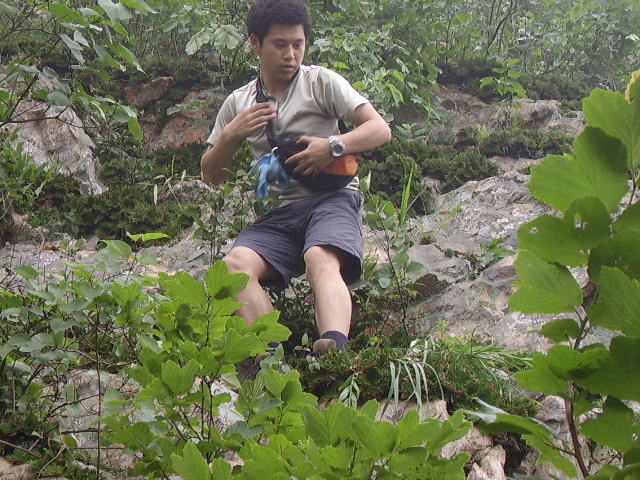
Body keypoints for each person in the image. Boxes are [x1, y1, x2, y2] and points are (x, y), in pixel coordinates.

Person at [201, 0, 391, 354]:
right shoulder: (239, 102)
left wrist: (332, 146)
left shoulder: (320, 82)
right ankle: (275, 359)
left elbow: (380, 129)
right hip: (278, 215)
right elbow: (212, 177)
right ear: (255, 43)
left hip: (332, 200)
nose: (291, 54)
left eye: (298, 44)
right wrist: (229, 136)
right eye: (280, 44)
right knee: (233, 267)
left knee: (320, 255)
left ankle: (333, 350)